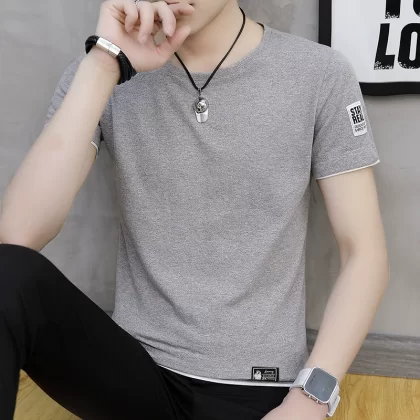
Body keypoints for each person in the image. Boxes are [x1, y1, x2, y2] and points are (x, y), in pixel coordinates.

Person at [0, 0, 390, 419]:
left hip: (256, 388)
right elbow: (17, 238)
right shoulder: (101, 71)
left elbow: (364, 254)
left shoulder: (317, 73)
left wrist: (312, 399)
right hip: (135, 374)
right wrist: (103, 63)